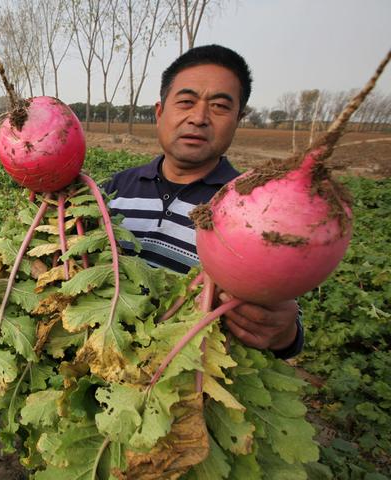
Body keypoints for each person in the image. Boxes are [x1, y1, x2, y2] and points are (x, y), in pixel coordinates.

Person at [104, 44, 303, 359]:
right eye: (185, 102)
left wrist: (283, 331)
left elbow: (281, 325)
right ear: (160, 112)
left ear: (238, 119)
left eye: (220, 107)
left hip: (186, 378)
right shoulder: (112, 190)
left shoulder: (256, 209)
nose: (198, 118)